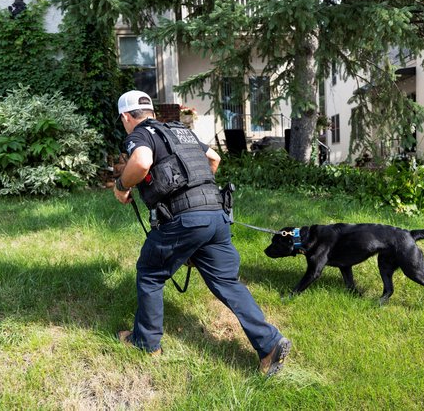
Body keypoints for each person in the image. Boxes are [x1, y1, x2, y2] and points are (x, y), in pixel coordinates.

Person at [113, 90, 291, 376]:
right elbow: (214, 159)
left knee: (150, 272)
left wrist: (121, 186)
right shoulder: (180, 132)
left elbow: (142, 162)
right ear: (152, 111)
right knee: (227, 282)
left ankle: (145, 342)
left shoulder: (141, 134)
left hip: (185, 221)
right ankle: (269, 344)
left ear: (126, 117)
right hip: (217, 215)